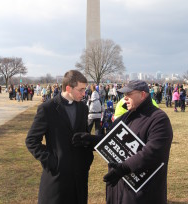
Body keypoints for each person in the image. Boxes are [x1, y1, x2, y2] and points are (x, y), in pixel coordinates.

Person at [73, 80, 173, 204]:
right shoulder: (124, 117)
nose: (124, 98)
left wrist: (124, 168)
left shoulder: (158, 119)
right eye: (124, 94)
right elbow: (110, 140)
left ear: (143, 95)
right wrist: (92, 141)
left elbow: (153, 152)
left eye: (129, 94)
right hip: (118, 191)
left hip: (143, 193)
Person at [26, 70, 94, 204]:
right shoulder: (47, 108)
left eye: (84, 90)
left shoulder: (83, 108)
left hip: (79, 178)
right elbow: (31, 140)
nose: (84, 93)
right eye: (80, 90)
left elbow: (84, 136)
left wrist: (87, 158)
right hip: (57, 178)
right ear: (68, 88)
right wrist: (52, 161)